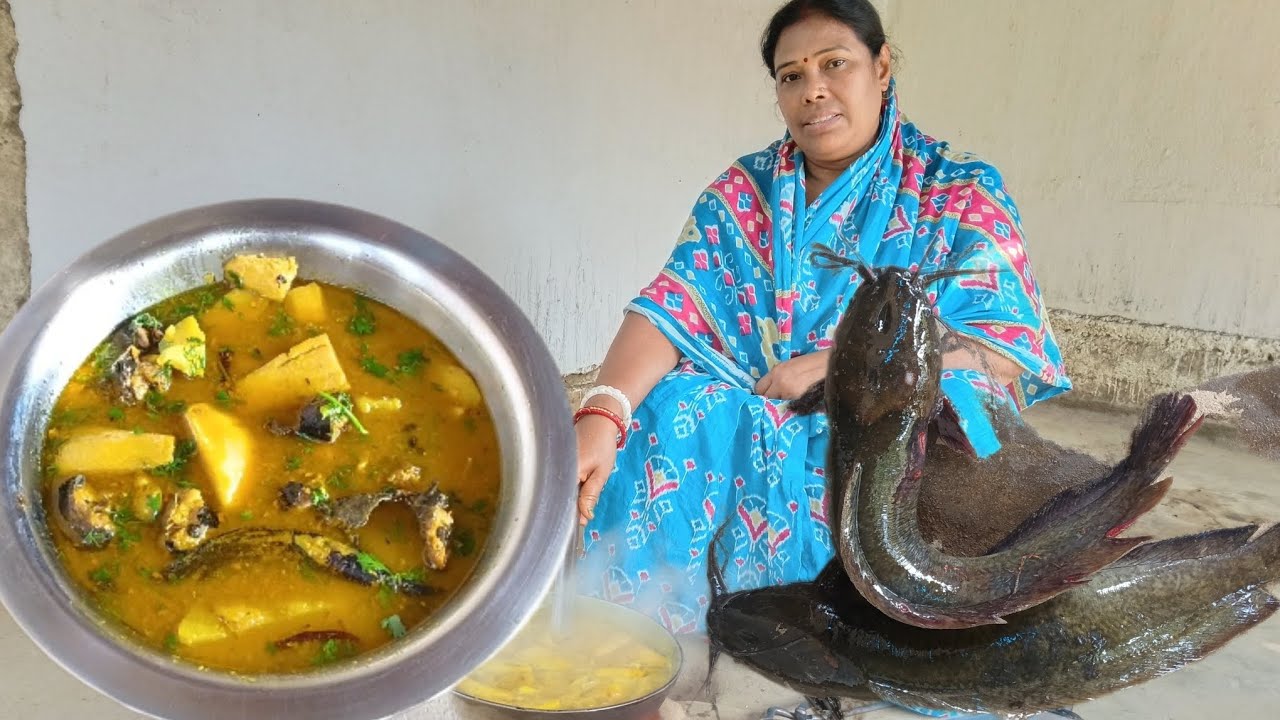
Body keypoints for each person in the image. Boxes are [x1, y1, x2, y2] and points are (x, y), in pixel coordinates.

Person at [574, 0, 1069, 645]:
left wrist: (846, 369)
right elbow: (675, 304)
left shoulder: (957, 193)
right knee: (665, 406)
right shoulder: (743, 192)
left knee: (961, 412)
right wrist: (603, 411)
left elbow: (1002, 351)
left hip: (883, 425)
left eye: (835, 64)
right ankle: (650, 632)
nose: (814, 91)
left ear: (881, 65)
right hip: (754, 406)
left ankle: (863, 632)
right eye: (791, 75)